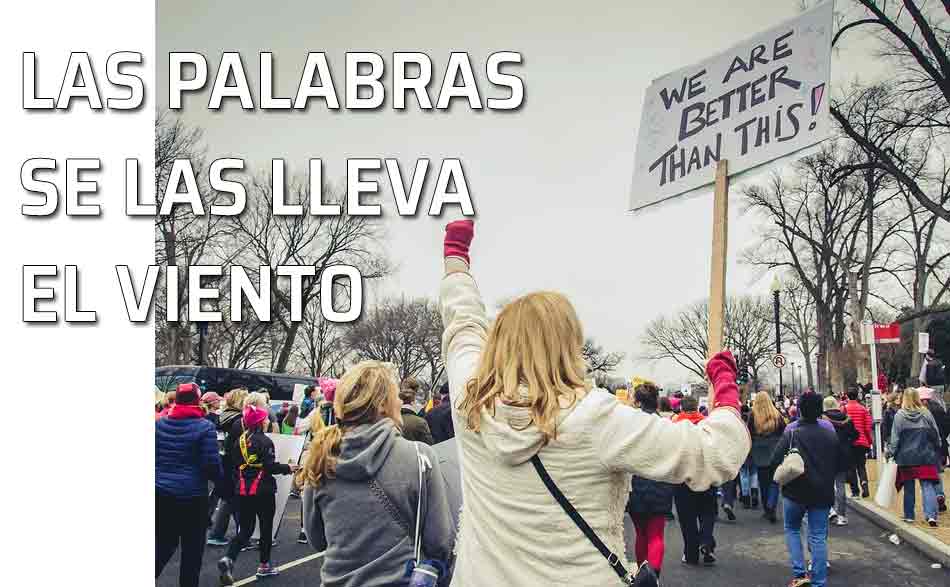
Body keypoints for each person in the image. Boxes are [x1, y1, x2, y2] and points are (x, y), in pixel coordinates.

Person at [438, 220, 749, 585]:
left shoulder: (470, 401)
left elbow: (462, 324)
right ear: (569, 344)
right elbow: (716, 454)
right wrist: (725, 385)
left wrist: (456, 262)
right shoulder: (594, 417)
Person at [301, 361, 456, 586]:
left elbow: (318, 539)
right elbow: (440, 541)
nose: (401, 401)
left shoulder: (321, 457)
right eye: (396, 395)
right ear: (383, 404)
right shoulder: (419, 456)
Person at [218, 404, 298, 584]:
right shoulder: (265, 442)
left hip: (243, 490)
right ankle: (264, 565)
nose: (268, 420)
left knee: (245, 529)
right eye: (266, 418)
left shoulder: (239, 440)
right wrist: (288, 468)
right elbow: (269, 467)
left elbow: (235, 463)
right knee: (266, 527)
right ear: (261, 422)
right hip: (263, 490)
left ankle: (229, 558)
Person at [156, 382, 222, 587]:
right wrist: (222, 483)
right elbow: (211, 464)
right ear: (197, 400)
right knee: (192, 552)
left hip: (161, 492)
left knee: (163, 545)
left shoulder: (159, 424)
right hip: (192, 497)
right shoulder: (205, 427)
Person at [771, 393, 840, 587]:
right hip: (822, 491)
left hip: (795, 490)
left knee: (792, 529)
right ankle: (819, 580)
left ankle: (799, 574)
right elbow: (840, 462)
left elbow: (775, 458)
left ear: (799, 409)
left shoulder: (791, 432)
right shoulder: (829, 432)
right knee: (818, 536)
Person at [626, 383, 676, 578]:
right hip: (660, 481)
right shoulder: (666, 425)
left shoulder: (630, 426)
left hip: (637, 482)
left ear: (637, 402)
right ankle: (652, 576)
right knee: (656, 535)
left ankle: (641, 574)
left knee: (641, 534)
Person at [672, 395, 720, 565]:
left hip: (683, 478)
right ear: (697, 407)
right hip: (706, 474)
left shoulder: (674, 425)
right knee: (708, 512)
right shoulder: (707, 424)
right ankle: (707, 541)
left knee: (687, 518)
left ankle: (691, 553)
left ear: (682, 408)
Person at [890, 388, 942, 527]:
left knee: (909, 487)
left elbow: (895, 438)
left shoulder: (899, 415)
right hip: (926, 455)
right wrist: (938, 447)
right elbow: (936, 433)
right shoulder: (926, 413)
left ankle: (909, 515)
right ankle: (931, 516)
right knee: (927, 485)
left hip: (906, 457)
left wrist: (892, 452)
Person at [207, 388, 249, 547]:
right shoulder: (238, 419)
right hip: (232, 463)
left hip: (221, 461)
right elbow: (239, 444)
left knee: (227, 499)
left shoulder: (222, 415)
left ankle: (218, 533)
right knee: (235, 500)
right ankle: (241, 536)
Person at [748, 391, 786, 523]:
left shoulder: (753, 416)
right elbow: (784, 432)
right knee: (775, 481)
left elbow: (749, 434)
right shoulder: (777, 415)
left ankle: (766, 509)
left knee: (763, 483)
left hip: (760, 452)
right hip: (775, 450)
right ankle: (772, 506)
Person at [822, 395, 858, 526]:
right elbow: (855, 435)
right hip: (843, 453)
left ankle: (831, 510)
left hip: (827, 454)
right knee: (840, 484)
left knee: (827, 484)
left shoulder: (822, 419)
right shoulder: (846, 419)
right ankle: (842, 514)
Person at [920, 387, 950, 512]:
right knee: (937, 472)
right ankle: (939, 495)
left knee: (925, 477)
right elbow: (946, 425)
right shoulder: (938, 408)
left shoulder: (919, 411)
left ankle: (931, 504)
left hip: (923, 446)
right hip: (939, 445)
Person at [844, 386, 873, 498]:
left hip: (849, 442)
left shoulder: (844, 409)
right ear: (857, 396)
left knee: (851, 467)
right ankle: (864, 485)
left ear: (847, 396)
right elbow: (867, 428)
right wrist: (869, 441)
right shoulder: (863, 409)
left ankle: (855, 491)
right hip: (862, 441)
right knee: (861, 466)